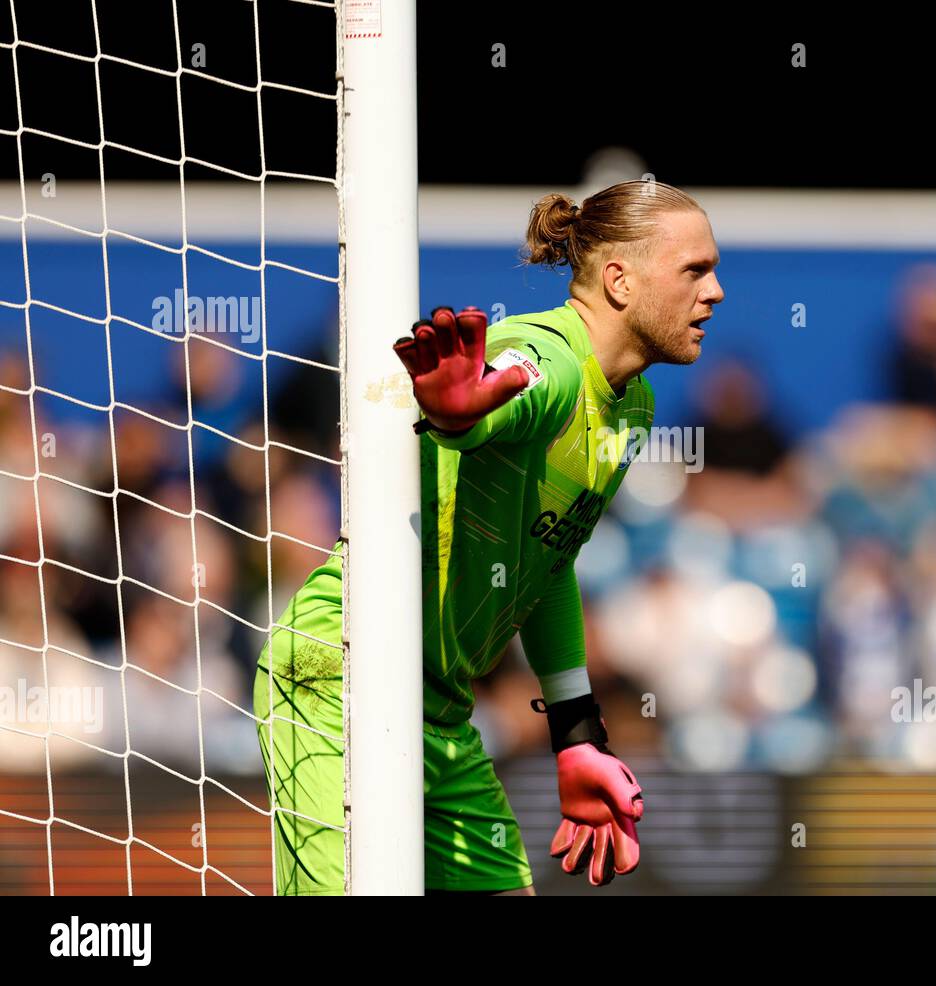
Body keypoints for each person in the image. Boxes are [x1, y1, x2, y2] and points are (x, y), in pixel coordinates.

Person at [254, 179, 724, 894]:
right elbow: (507, 386)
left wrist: (576, 734)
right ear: (620, 279)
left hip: (439, 709)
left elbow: (550, 560)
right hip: (338, 678)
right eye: (696, 270)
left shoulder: (635, 406)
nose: (715, 291)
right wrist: (460, 415)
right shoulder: (551, 357)